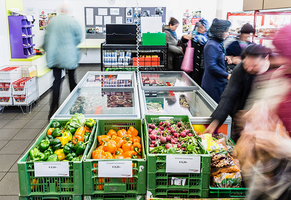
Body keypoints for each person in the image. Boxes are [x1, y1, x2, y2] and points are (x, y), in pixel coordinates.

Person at [203, 44, 271, 142]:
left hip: (266, 127)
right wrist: (214, 123)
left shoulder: (275, 70)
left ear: (266, 58)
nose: (249, 69)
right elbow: (229, 97)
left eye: (254, 66)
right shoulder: (240, 69)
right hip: (241, 122)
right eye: (247, 64)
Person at [43, 4, 82, 119]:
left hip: (55, 57)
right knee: (72, 80)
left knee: (57, 82)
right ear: (67, 11)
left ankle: (53, 110)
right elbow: (79, 38)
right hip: (69, 56)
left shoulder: (52, 22)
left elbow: (46, 39)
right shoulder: (72, 21)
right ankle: (76, 107)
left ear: (60, 11)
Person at [201, 18, 232, 103]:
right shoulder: (211, 45)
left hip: (217, 81)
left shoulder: (217, 43)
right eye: (226, 31)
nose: (227, 34)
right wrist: (227, 75)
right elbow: (211, 66)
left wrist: (224, 57)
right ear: (219, 32)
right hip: (213, 83)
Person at [181, 18, 209, 86]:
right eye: (199, 27)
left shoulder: (208, 37)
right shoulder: (192, 34)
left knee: (200, 82)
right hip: (192, 62)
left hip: (202, 64)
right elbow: (183, 42)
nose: (201, 29)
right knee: (191, 82)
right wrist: (184, 37)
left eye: (203, 28)